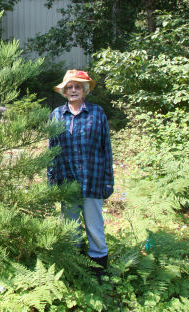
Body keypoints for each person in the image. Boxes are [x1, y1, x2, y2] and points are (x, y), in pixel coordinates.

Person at [47, 69, 114, 279]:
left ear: (84, 91)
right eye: (69, 87)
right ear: (65, 91)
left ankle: (98, 268)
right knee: (70, 226)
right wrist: (51, 181)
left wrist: (107, 181)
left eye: (77, 87)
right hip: (66, 180)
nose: (73, 90)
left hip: (92, 180)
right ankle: (74, 264)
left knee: (94, 226)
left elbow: (106, 149)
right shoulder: (56, 115)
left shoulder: (97, 113)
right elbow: (52, 150)